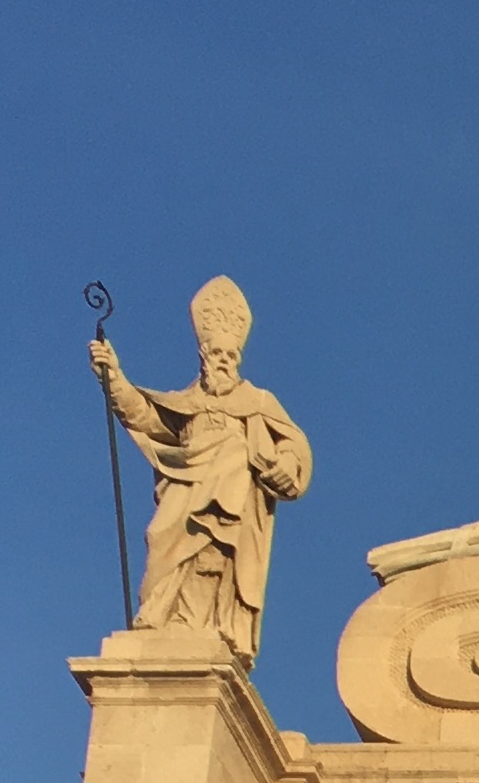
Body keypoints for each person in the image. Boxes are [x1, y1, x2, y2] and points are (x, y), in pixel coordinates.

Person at [91, 275, 314, 663]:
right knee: (163, 540)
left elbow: (294, 444)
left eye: (231, 356)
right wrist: (114, 377)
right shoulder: (184, 403)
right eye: (217, 356)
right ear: (203, 358)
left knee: (217, 553)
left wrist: (285, 464)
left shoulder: (259, 402)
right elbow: (143, 416)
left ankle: (212, 628)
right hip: (184, 488)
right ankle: (164, 617)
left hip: (232, 499)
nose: (224, 362)